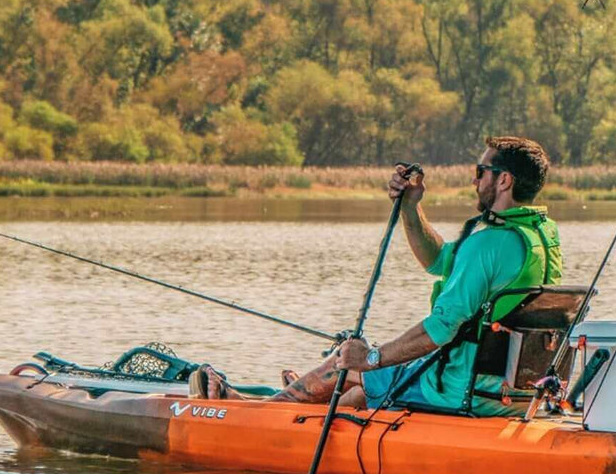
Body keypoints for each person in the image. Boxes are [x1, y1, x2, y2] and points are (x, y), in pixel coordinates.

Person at [189, 136, 562, 416]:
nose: (475, 180)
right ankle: (298, 404)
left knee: (342, 370)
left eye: (481, 172)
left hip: (461, 388)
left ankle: (253, 416)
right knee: (355, 397)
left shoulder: (489, 244)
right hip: (508, 390)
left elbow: (440, 330)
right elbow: (437, 261)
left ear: (504, 181)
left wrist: (371, 358)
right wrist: (410, 208)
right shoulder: (536, 236)